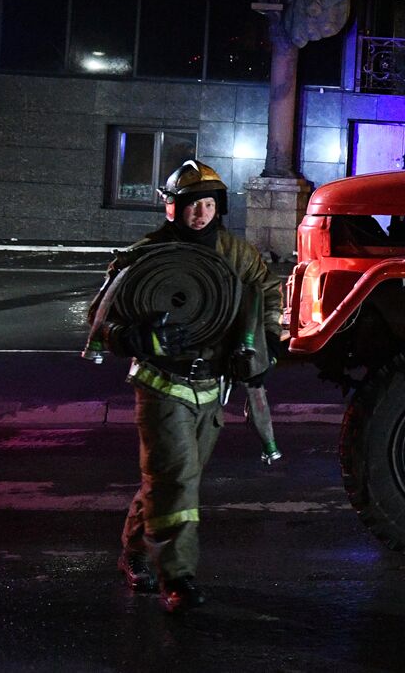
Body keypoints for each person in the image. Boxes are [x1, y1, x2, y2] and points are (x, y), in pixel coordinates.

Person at [86, 160, 283, 613]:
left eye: (209, 205)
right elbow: (101, 316)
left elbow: (266, 294)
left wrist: (267, 343)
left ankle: (135, 551)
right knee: (176, 481)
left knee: (172, 478)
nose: (201, 214)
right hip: (162, 386)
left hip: (212, 389)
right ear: (174, 209)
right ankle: (179, 578)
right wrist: (129, 337)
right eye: (192, 205)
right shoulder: (145, 256)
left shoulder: (239, 255)